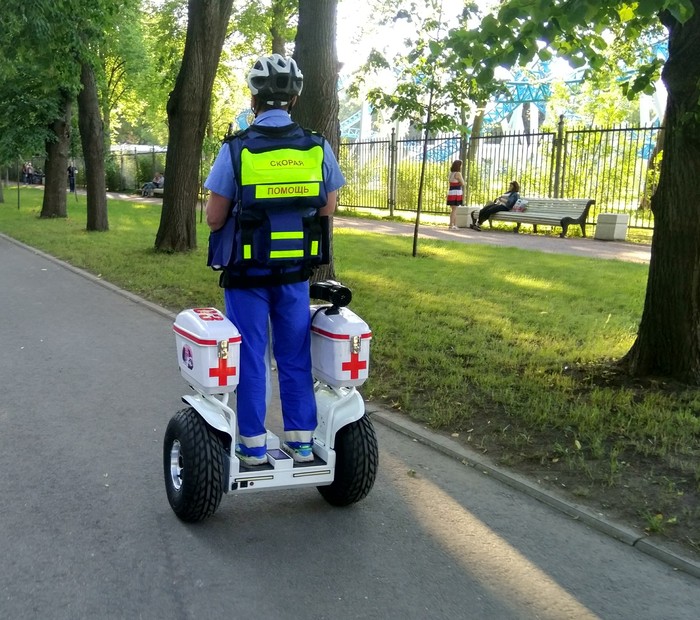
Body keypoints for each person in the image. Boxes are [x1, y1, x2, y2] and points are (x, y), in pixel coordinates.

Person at [204, 54, 346, 466]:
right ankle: (301, 442)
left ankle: (251, 445)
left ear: (254, 100)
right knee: (294, 353)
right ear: (295, 99)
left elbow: (214, 217)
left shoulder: (237, 149)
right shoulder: (317, 146)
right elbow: (327, 207)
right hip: (295, 270)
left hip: (247, 273)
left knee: (251, 354)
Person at [446, 159, 465, 230]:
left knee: (454, 209)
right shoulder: (458, 173)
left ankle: (454, 224)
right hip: (456, 192)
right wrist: (459, 183)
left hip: (451, 192)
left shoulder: (451, 173)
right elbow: (463, 183)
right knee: (454, 210)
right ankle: (451, 225)